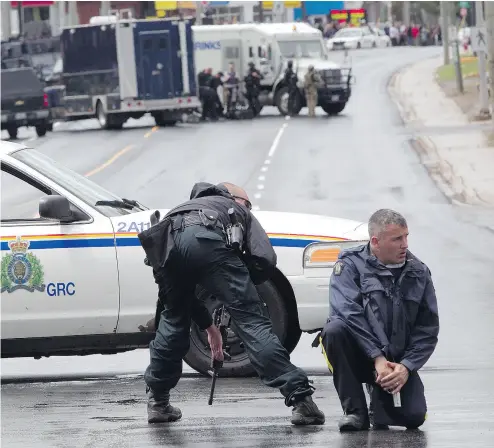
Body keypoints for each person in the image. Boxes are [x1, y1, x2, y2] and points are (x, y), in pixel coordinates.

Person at [138, 182, 325, 426]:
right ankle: (301, 400)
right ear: (232, 198)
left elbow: (183, 300)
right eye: (247, 204)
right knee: (252, 323)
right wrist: (243, 283)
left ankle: (158, 403)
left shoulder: (178, 212)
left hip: (166, 245)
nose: (248, 208)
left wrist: (209, 328)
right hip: (208, 244)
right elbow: (264, 258)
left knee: (172, 320)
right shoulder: (232, 208)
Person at [317, 209, 439, 431]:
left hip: (394, 362)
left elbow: (427, 329)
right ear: (375, 241)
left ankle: (379, 400)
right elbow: (348, 315)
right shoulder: (349, 266)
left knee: (413, 418)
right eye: (397, 239)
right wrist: (376, 356)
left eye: (406, 236)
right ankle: (355, 411)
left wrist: (405, 367)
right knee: (334, 330)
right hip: (361, 355)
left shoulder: (418, 272)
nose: (405, 245)